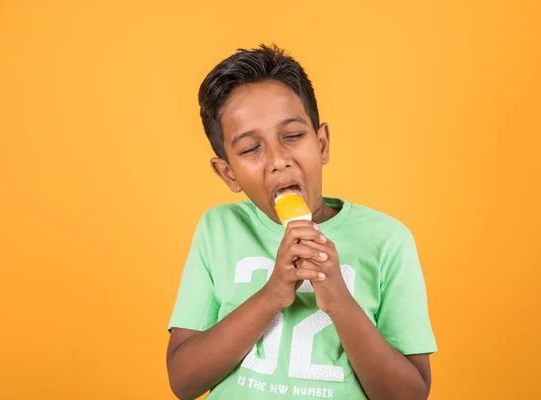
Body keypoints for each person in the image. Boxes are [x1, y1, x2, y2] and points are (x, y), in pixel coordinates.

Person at [166, 44, 437, 400]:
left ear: (322, 143)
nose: (279, 160)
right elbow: (183, 382)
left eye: (292, 136)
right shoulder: (219, 230)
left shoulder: (388, 240)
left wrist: (339, 300)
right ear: (228, 173)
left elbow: (409, 395)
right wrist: (270, 296)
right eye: (250, 148)